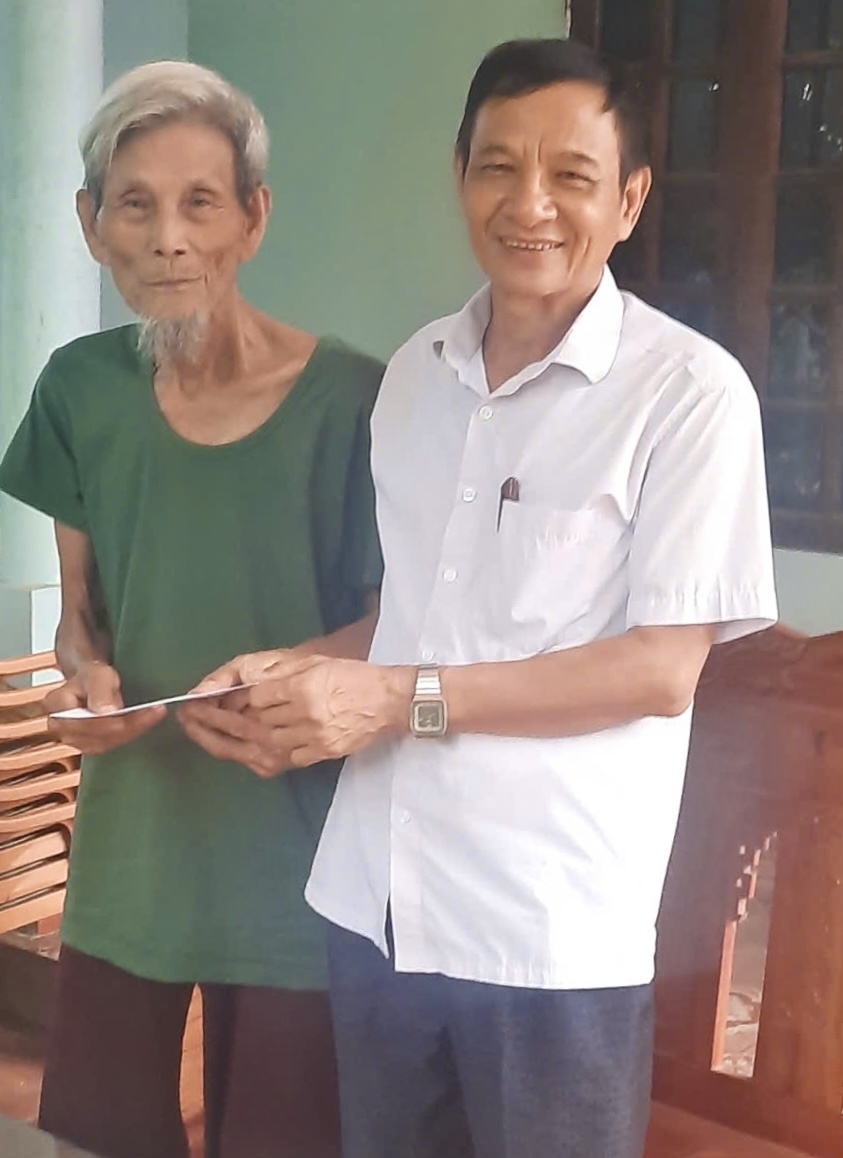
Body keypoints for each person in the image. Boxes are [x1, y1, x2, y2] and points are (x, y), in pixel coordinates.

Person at [181, 37, 778, 1158]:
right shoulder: (416, 375)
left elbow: (660, 671)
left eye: (571, 174)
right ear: (459, 175)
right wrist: (294, 676)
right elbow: (413, 620)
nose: (529, 203)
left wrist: (391, 700)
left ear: (630, 199)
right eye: (498, 166)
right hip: (378, 902)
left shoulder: (688, 395)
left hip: (543, 932)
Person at [0, 61, 383, 1158]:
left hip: (298, 858)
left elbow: (391, 628)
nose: (168, 238)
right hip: (131, 855)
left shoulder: (352, 401)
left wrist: (298, 672)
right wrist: (84, 676)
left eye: (200, 202)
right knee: (91, 1138)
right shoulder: (78, 390)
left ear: (252, 219)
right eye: (136, 204)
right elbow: (82, 614)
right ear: (91, 226)